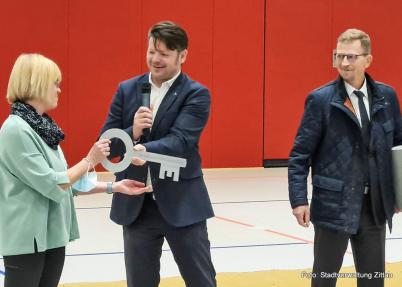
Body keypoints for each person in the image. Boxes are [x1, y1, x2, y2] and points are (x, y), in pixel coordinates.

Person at [0, 53, 150, 287]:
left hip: (52, 235)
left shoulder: (43, 128)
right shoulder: (16, 130)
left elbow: (68, 183)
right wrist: (90, 160)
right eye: (55, 84)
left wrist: (115, 186)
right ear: (36, 83)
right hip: (27, 240)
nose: (59, 90)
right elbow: (54, 184)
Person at [100, 21, 216, 287]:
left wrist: (144, 150)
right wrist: (134, 131)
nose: (155, 59)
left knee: (201, 280)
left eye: (164, 54)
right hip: (136, 204)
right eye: (152, 51)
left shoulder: (195, 94)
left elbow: (181, 141)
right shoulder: (127, 89)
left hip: (182, 203)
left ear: (182, 56)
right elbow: (107, 143)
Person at [288, 28, 402, 287]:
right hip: (333, 206)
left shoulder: (387, 97)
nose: (344, 63)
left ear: (368, 60)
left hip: (374, 208)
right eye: (339, 56)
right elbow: (299, 155)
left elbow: (398, 148)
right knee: (324, 280)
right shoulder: (320, 100)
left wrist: (396, 193)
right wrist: (298, 200)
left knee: (373, 281)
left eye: (351, 57)